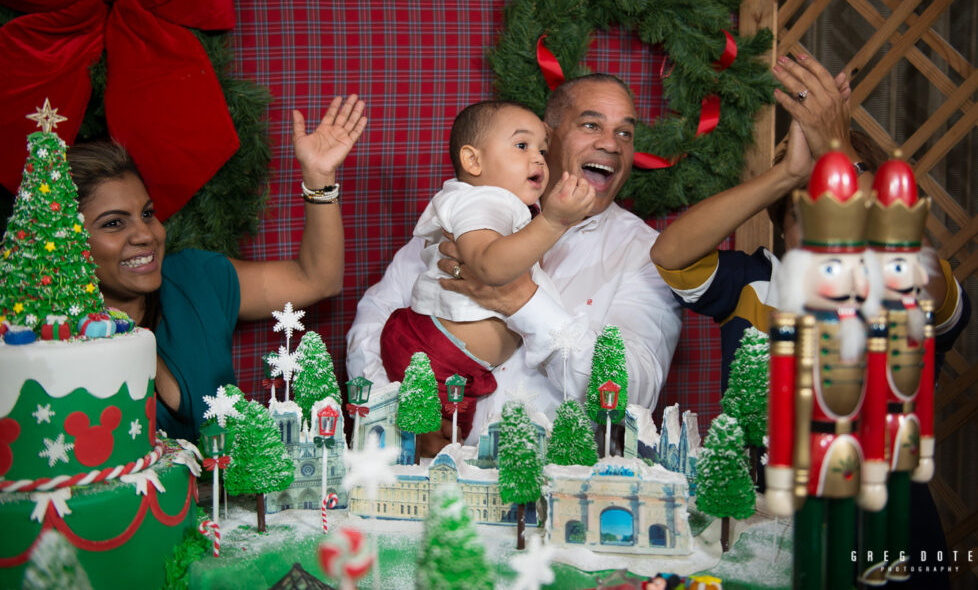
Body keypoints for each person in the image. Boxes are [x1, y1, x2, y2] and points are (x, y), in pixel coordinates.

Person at [649, 54, 968, 589]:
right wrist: (790, 173)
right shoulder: (756, 284)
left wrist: (836, 150)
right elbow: (672, 255)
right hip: (762, 531)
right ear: (783, 232)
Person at [347, 75, 683, 447]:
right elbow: (375, 323)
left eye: (625, 134)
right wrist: (402, 427)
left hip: (553, 482)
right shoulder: (474, 206)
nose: (611, 144)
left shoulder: (646, 252)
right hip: (436, 476)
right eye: (591, 125)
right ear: (549, 137)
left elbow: (633, 392)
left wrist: (523, 301)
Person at [68, 94, 367, 441]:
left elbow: (316, 279)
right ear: (67, 240)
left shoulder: (194, 279)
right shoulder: (46, 339)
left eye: (147, 214)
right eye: (113, 224)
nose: (145, 235)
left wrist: (319, 179)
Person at [380, 100, 595, 437]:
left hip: (454, 361)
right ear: (473, 160)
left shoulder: (499, 204)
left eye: (542, 148)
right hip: (435, 356)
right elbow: (488, 267)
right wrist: (555, 222)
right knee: (430, 453)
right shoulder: (482, 201)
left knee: (443, 450)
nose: (539, 157)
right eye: (522, 146)